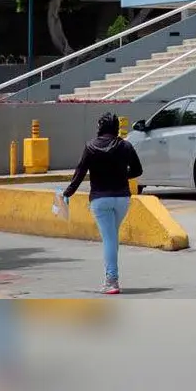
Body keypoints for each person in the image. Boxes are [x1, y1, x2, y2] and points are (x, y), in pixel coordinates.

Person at [61, 112, 143, 294]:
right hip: (122, 199)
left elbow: (79, 173)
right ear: (116, 128)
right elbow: (138, 170)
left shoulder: (90, 147)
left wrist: (67, 193)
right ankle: (110, 276)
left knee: (109, 239)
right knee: (112, 237)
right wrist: (121, 175)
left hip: (100, 200)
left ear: (100, 128)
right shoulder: (126, 146)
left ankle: (111, 280)